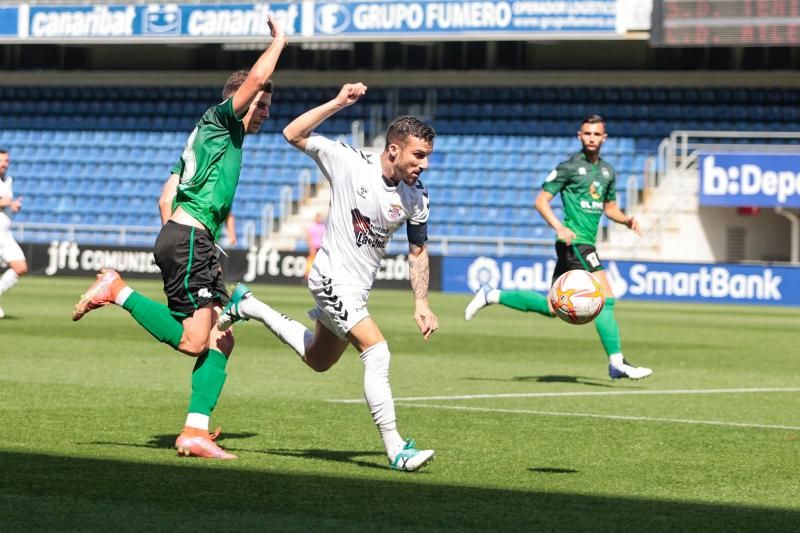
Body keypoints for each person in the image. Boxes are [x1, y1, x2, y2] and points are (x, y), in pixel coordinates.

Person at [71, 15, 288, 459]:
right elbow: (259, 75)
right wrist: (281, 40)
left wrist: (180, 237)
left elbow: (164, 198)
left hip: (189, 240)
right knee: (195, 341)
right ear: (240, 100)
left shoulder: (210, 139)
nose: (266, 112)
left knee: (220, 338)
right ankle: (117, 290)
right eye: (261, 104)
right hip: (190, 242)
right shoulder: (220, 121)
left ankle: (195, 430)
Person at [217, 83, 438, 471]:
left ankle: (247, 304)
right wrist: (338, 102)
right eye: (418, 155)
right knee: (378, 352)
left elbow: (418, 252)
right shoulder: (350, 162)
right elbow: (293, 133)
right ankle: (396, 449)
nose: (424, 164)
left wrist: (421, 302)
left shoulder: (416, 198)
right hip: (330, 278)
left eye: (427, 157)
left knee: (318, 360)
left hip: (356, 290)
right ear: (393, 149)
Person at [465, 115, 653, 380]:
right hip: (575, 242)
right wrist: (559, 227)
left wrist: (627, 220)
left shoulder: (608, 171)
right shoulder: (568, 167)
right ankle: (617, 362)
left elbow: (610, 208)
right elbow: (541, 201)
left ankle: (491, 295)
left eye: (596, 134)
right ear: (580, 135)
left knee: (554, 307)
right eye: (587, 133)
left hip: (583, 243)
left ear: (604, 138)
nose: (591, 138)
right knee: (606, 298)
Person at [0, 149, 29, 319]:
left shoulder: (8, 180)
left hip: (5, 234)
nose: (5, 164)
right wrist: (8, 202)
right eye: (2, 160)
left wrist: (12, 206)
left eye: (6, 161)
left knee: (20, 267)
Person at [304, 212, 325, 281]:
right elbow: (309, 237)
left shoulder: (323, 226)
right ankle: (307, 275)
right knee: (311, 261)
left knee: (321, 261)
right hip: (314, 246)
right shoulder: (312, 227)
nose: (320, 219)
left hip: (321, 247)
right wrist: (311, 247)